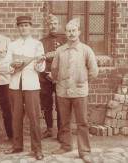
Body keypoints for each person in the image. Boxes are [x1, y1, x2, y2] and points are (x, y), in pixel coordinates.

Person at [51, 18, 98, 163]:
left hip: (79, 92)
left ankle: (84, 150)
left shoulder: (86, 50)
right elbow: (54, 70)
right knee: (64, 120)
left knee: (82, 122)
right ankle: (66, 145)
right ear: (65, 33)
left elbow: (93, 71)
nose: (71, 33)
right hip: (63, 91)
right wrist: (60, 82)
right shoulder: (60, 50)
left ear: (79, 32)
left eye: (74, 30)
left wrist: (82, 82)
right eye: (69, 31)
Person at [4, 16, 45, 160]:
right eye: (21, 25)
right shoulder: (13, 45)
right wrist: (12, 65)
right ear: (18, 27)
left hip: (31, 84)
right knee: (16, 116)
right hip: (15, 84)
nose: (24, 28)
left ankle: (37, 148)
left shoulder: (37, 44)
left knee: (34, 117)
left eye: (26, 25)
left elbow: (41, 68)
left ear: (30, 27)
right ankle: (17, 145)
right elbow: (6, 64)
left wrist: (39, 62)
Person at [39, 14, 66, 139]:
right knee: (46, 104)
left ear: (59, 25)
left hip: (60, 78)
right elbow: (39, 60)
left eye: (55, 24)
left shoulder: (65, 41)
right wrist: (48, 73)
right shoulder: (42, 42)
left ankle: (62, 131)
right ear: (47, 26)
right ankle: (49, 129)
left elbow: (67, 60)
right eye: (50, 24)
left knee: (61, 104)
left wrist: (56, 74)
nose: (53, 26)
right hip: (45, 78)